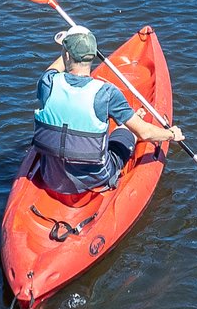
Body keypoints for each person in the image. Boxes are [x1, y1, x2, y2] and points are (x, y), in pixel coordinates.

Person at [17, 28, 182, 197]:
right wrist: (171, 134)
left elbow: (51, 70)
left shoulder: (47, 84)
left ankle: (128, 121)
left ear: (66, 55)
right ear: (93, 56)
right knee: (125, 130)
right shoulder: (107, 93)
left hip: (51, 177)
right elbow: (146, 133)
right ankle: (131, 120)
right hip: (95, 179)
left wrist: (68, 48)